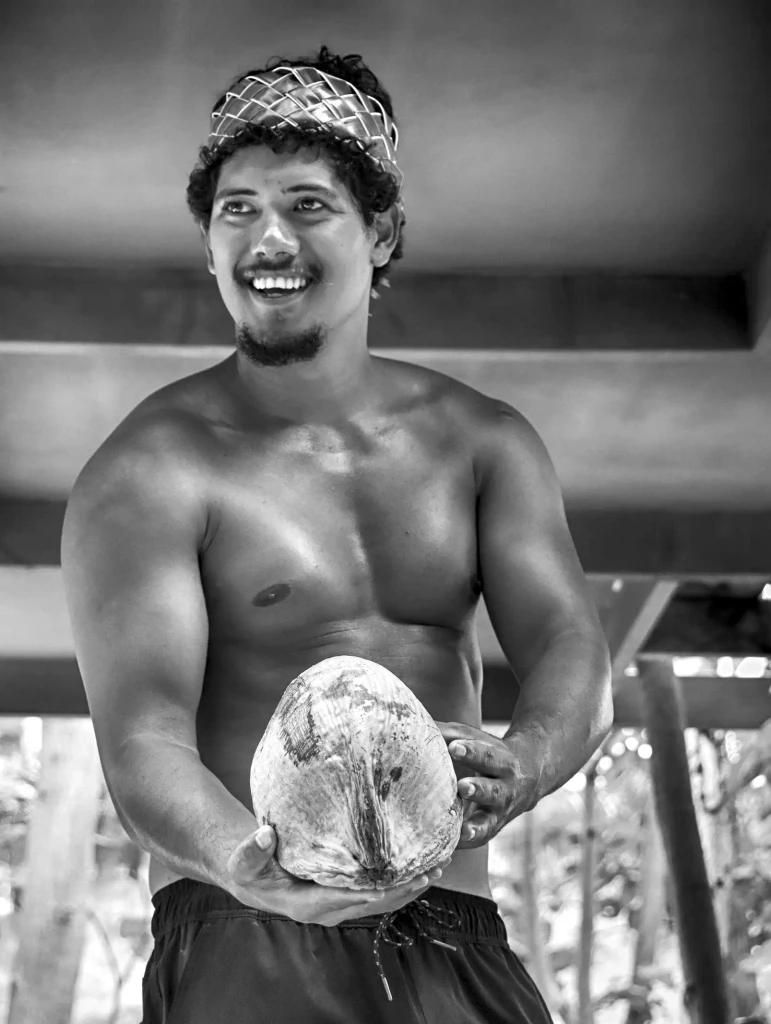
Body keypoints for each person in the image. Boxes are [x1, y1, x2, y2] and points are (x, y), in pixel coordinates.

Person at [61, 45, 612, 1023]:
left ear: (383, 232)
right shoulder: (147, 468)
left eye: (308, 204)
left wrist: (525, 763)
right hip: (242, 921)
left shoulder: (482, 442)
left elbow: (575, 649)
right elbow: (142, 735)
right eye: (237, 209)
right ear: (208, 241)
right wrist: (247, 864)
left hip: (458, 930)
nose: (268, 238)